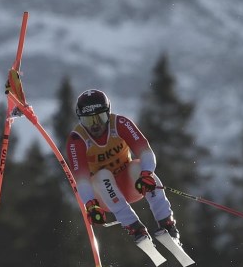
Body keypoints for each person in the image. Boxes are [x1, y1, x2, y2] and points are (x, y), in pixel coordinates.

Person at [65, 89, 181, 245]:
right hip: (105, 195)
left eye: (100, 118)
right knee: (101, 176)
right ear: (80, 119)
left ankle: (167, 224)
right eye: (88, 121)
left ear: (108, 113)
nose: (95, 125)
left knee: (139, 167)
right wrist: (91, 204)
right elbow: (82, 180)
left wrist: (146, 173)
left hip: (131, 185)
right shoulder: (77, 139)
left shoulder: (119, 124)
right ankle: (135, 228)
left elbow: (146, 152)